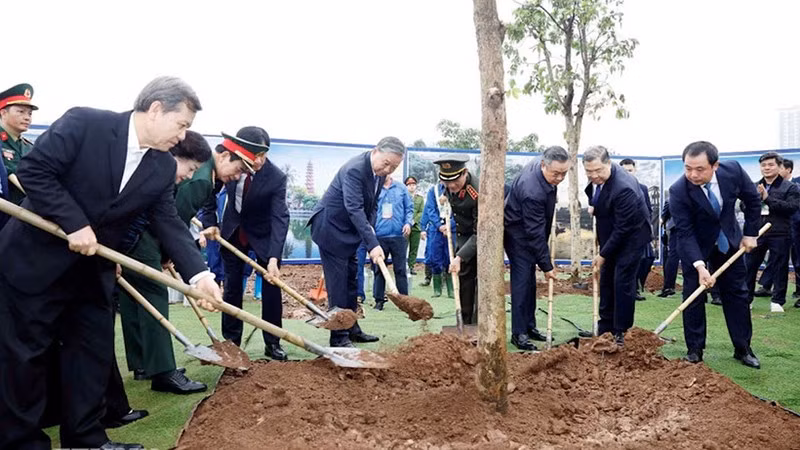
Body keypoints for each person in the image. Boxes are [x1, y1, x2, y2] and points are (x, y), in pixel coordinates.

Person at [0, 76, 223, 450]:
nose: (183, 137)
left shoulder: (161, 168)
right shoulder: (85, 124)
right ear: (155, 109)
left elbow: (166, 221)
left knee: (89, 354)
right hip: (34, 263)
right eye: (182, 124)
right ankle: (22, 442)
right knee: (26, 356)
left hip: (92, 272)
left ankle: (86, 439)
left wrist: (199, 274)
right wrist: (75, 223)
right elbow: (33, 172)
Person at [115, 131, 213, 394]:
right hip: (137, 237)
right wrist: (164, 252)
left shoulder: (161, 174)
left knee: (134, 296)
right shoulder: (188, 179)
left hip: (134, 235)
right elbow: (171, 220)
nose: (191, 175)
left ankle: (143, 363)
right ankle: (163, 371)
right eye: (189, 168)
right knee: (154, 293)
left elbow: (168, 217)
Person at [669, 141, 761, 368]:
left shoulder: (734, 172)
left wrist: (750, 234)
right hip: (696, 246)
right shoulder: (678, 190)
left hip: (729, 241)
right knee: (693, 295)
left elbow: (752, 200)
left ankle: (743, 348)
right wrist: (700, 266)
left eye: (699, 169)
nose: (692, 174)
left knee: (737, 294)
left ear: (715, 165)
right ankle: (695, 350)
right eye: (688, 168)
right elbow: (685, 232)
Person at [309, 136, 405, 347]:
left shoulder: (379, 175)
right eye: (386, 163)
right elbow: (354, 208)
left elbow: (370, 207)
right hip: (331, 229)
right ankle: (338, 338)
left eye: (394, 167)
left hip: (349, 231)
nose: (388, 169)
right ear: (375, 151)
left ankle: (352, 328)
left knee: (352, 280)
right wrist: (372, 243)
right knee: (339, 285)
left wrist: (370, 234)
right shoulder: (354, 169)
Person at [211, 127, 290, 360]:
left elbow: (280, 217)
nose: (259, 161)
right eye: (256, 154)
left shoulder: (276, 177)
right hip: (233, 232)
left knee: (271, 287)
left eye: (264, 155)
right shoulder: (227, 164)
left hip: (264, 236)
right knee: (233, 288)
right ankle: (232, 342)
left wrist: (274, 257)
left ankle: (273, 341)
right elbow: (209, 192)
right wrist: (210, 221)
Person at [583, 146, 651, 345]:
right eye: (589, 172)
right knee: (606, 278)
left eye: (598, 171)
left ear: (608, 163)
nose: (594, 175)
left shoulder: (624, 188)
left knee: (622, 281)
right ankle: (605, 326)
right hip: (612, 232)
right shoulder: (598, 178)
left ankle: (621, 330)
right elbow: (596, 195)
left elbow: (623, 228)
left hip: (632, 237)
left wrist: (603, 254)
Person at [504, 146, 570, 351]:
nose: (559, 178)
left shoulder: (542, 166)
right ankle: (519, 333)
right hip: (518, 234)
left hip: (530, 229)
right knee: (522, 282)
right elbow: (534, 233)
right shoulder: (532, 191)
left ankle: (530, 326)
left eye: (564, 173)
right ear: (543, 165)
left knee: (530, 283)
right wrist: (547, 266)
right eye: (555, 174)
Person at [743, 152, 800, 313]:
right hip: (757, 233)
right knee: (750, 266)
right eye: (763, 165)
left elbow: (792, 208)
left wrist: (768, 198)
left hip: (780, 232)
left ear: (780, 167)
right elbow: (743, 207)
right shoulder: (754, 186)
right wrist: (755, 200)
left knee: (779, 266)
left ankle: (777, 300)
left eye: (770, 165)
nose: (766, 168)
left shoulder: (790, 187)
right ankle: (746, 299)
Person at [434, 154, 479, 324]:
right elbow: (449, 190)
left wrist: (460, 257)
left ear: (464, 173)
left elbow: (480, 232)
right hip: (463, 235)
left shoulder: (477, 192)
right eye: (447, 183)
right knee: (464, 279)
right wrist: (445, 197)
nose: (451, 186)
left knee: (481, 282)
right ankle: (464, 323)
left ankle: (479, 324)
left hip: (482, 236)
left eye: (455, 182)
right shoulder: (450, 185)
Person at [372, 175, 413, 310]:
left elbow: (409, 208)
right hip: (379, 235)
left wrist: (407, 223)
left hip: (398, 235)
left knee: (400, 269)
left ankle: (404, 301)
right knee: (379, 270)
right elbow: (369, 210)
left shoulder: (401, 188)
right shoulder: (374, 189)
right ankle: (379, 300)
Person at [619, 158, 655, 301]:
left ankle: (638, 285)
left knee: (648, 259)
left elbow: (649, 210)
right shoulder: (617, 188)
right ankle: (631, 290)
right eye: (624, 171)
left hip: (642, 232)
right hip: (624, 233)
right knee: (630, 261)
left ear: (635, 170)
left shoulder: (643, 188)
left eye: (630, 170)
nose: (628, 173)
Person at [0, 83, 37, 204]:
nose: (27, 118)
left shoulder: (30, 147)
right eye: (21, 112)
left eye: (30, 113)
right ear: (3, 113)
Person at [418, 181, 453, 298]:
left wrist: (449, 225)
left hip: (451, 229)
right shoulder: (434, 190)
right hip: (436, 229)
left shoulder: (455, 188)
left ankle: (451, 289)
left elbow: (459, 210)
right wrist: (439, 226)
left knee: (450, 258)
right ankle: (437, 289)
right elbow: (430, 210)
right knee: (434, 258)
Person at [658, 198, 680, 298]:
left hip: (676, 229)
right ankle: (668, 287)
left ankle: (668, 287)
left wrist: (663, 220)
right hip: (680, 229)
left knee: (673, 257)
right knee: (673, 257)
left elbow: (663, 218)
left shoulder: (673, 194)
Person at [405, 176, 425, 275]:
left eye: (413, 185)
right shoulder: (403, 196)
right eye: (409, 185)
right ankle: (402, 265)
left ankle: (411, 266)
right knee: (403, 247)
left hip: (416, 227)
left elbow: (421, 211)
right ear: (406, 186)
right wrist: (407, 221)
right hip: (405, 227)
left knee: (414, 248)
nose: (412, 187)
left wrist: (414, 220)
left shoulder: (420, 198)